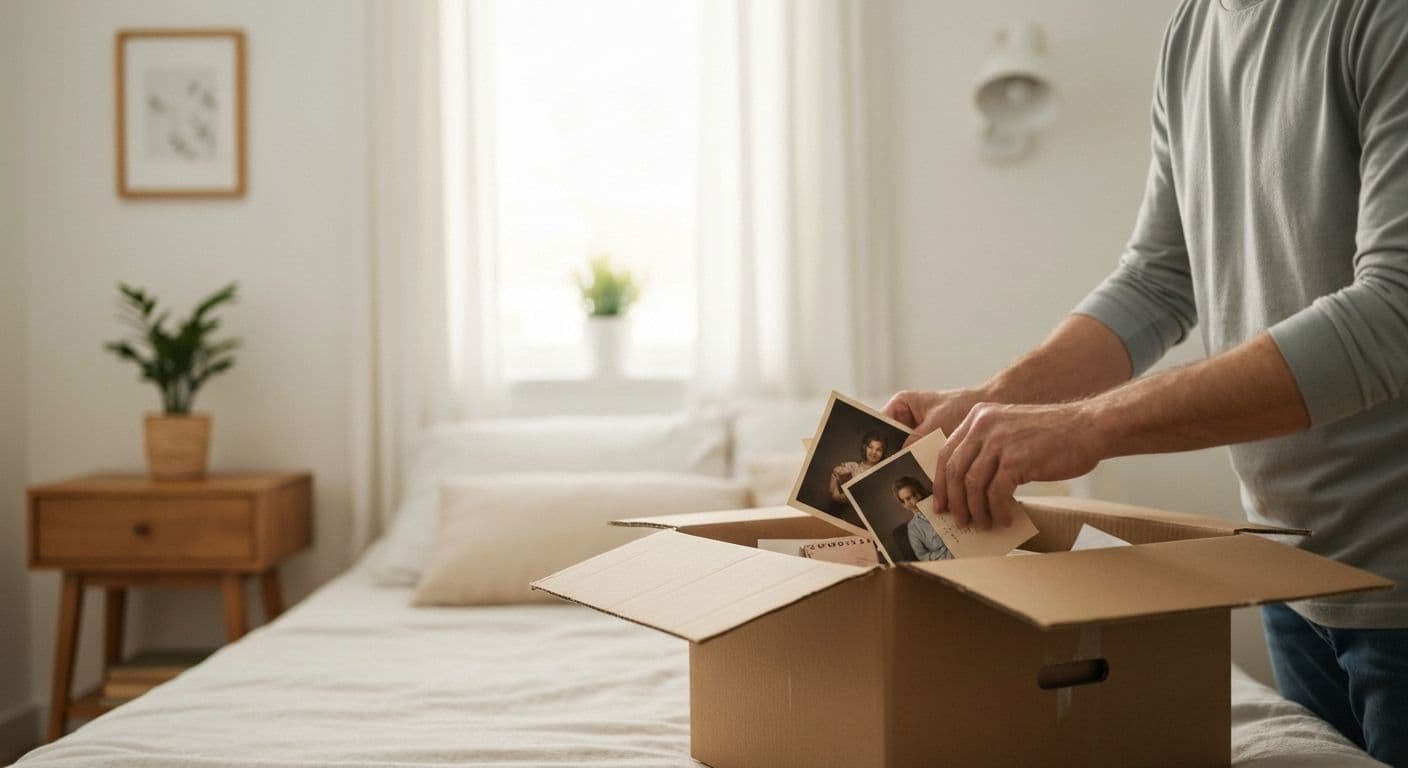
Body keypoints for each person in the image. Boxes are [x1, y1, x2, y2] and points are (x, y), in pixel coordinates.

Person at [884, 2, 1408, 761]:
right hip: (1294, 563)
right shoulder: (1194, 31)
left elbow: (1393, 313)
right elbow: (1158, 280)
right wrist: (992, 401)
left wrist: (1085, 426)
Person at [894, 476, 951, 562]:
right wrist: (945, 554)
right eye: (908, 499)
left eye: (914, 494)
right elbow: (922, 556)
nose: (914, 501)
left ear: (921, 491)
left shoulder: (943, 503)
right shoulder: (913, 528)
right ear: (904, 505)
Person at [828, 431, 889, 503]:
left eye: (879, 450)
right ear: (865, 448)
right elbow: (833, 489)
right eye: (870, 447)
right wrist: (836, 495)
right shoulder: (852, 466)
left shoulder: (884, 475)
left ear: (883, 452)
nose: (874, 452)